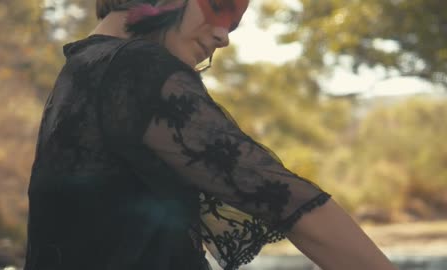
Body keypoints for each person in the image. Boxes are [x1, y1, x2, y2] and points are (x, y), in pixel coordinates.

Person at [24, 0, 400, 269]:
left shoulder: (80, 72)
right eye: (219, 6)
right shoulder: (137, 69)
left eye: (233, 24)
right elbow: (282, 197)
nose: (224, 37)